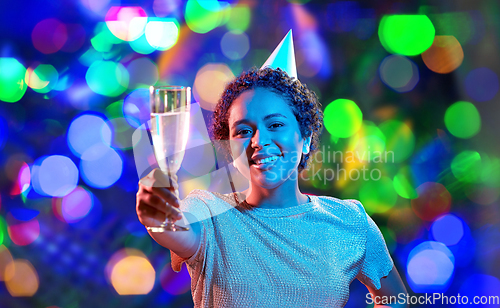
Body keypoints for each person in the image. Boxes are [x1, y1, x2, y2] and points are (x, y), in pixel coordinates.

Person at [136, 67, 408, 307]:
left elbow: (395, 300)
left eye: (275, 124)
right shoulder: (208, 211)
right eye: (243, 131)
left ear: (305, 139)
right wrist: (158, 216)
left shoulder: (350, 221)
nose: (258, 140)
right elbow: (174, 229)